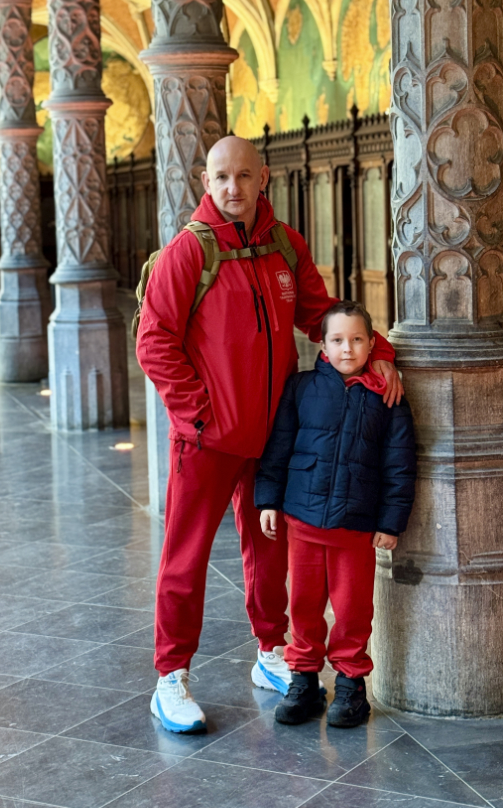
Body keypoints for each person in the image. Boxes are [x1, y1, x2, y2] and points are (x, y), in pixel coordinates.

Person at [137, 135, 404, 734]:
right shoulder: (188, 252)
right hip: (206, 440)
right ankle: (170, 676)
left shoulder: (284, 244)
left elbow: (321, 316)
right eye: (221, 177)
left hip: (274, 439)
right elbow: (154, 342)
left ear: (263, 180)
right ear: (207, 183)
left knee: (270, 549)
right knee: (186, 557)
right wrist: (200, 416)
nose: (232, 187)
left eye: (243, 176)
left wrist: (380, 352)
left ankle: (270, 650)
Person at [256, 300, 416, 728]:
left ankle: (350, 684)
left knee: (352, 609)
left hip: (355, 526)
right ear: (323, 346)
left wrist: (390, 522)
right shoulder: (301, 388)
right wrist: (268, 499)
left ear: (372, 345)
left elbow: (400, 464)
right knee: (304, 605)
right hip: (303, 521)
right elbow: (279, 446)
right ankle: (304, 680)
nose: (348, 348)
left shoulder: (388, 396)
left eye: (358, 339)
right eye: (338, 340)